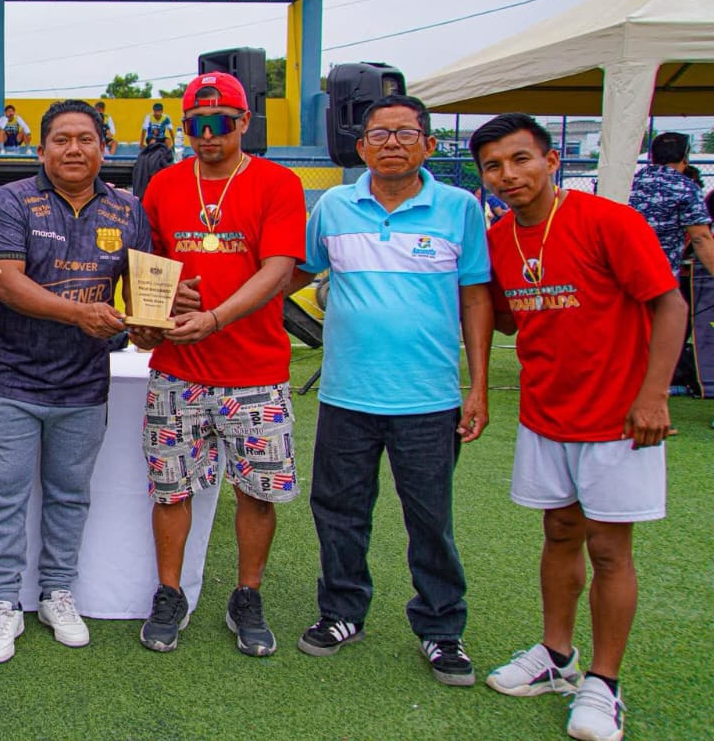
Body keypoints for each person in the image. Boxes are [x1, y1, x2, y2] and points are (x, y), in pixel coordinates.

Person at [473, 114, 681, 741]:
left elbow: (669, 303)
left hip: (618, 418)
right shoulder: (499, 238)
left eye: (520, 159)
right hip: (546, 413)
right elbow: (506, 316)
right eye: (493, 166)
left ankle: (604, 683)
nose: (508, 175)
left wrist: (654, 396)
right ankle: (557, 656)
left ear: (552, 160)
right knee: (559, 532)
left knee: (610, 549)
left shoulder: (608, 220)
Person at [289, 94, 491, 687]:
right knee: (339, 511)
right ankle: (342, 611)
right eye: (379, 134)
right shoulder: (334, 207)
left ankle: (441, 628)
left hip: (428, 399)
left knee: (430, 519)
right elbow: (295, 272)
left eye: (405, 133)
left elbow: (476, 296)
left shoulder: (459, 208)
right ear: (361, 147)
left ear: (429, 143)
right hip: (346, 395)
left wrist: (479, 386)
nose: (392, 144)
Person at [126, 73, 305, 658]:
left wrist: (217, 317)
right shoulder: (165, 185)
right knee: (170, 489)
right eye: (196, 124)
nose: (208, 134)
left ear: (244, 122)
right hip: (179, 367)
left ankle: (247, 594)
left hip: (255, 371)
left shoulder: (277, 182)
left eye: (220, 122)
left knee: (256, 492)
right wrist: (157, 306)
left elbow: (279, 270)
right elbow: (148, 266)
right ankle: (170, 592)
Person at [0, 99, 149, 664]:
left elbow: (142, 290)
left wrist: (158, 316)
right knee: (4, 495)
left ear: (105, 147)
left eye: (85, 139)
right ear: (41, 148)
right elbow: (7, 285)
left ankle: (56, 593)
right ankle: (4, 601)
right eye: (62, 139)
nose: (74, 149)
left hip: (84, 385)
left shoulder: (127, 209)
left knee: (70, 495)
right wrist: (80, 314)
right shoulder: (12, 200)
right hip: (13, 381)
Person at [628, 131, 714, 277]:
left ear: (652, 157)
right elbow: (700, 238)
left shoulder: (627, 183)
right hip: (660, 277)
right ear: (685, 159)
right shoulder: (685, 187)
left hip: (621, 274)